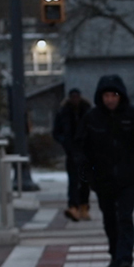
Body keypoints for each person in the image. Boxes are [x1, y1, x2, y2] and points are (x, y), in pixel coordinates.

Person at [75, 75, 134, 267]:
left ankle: (125, 260)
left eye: (114, 95)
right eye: (106, 95)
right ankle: (114, 254)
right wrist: (85, 179)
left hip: (128, 177)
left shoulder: (133, 116)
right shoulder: (91, 118)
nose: (110, 99)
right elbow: (80, 150)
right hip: (102, 179)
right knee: (110, 219)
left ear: (121, 96)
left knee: (125, 218)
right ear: (100, 97)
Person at [53, 88, 93, 221]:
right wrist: (65, 142)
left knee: (85, 180)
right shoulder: (63, 112)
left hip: (86, 150)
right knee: (73, 180)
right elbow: (56, 132)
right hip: (71, 151)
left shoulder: (87, 111)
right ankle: (74, 206)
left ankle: (83, 206)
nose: (75, 99)